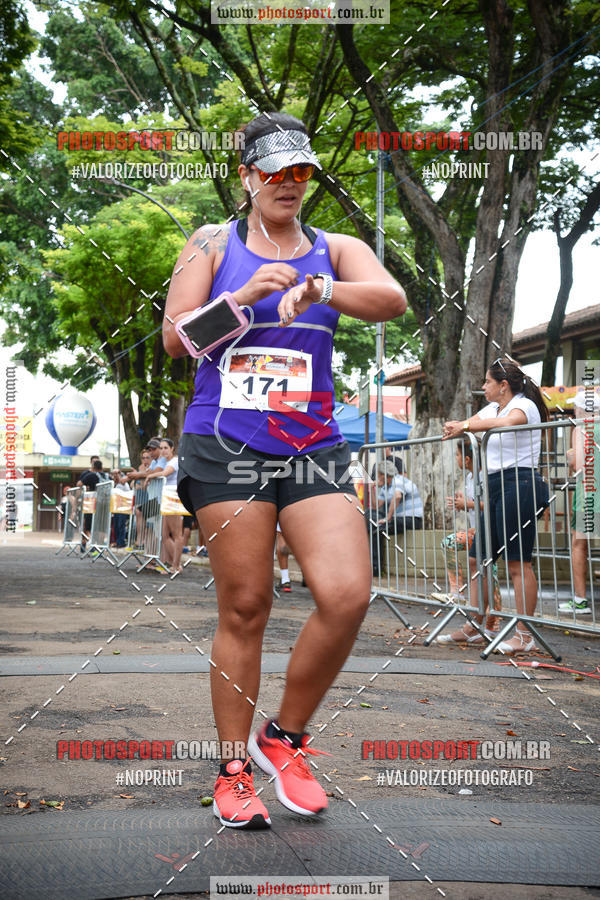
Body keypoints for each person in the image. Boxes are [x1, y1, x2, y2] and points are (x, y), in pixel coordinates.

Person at [163, 111, 406, 829]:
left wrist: (319, 289)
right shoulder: (211, 243)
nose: (289, 184)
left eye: (301, 171)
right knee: (247, 605)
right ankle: (234, 769)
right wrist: (243, 299)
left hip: (312, 445)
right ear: (247, 177)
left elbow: (390, 299)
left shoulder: (338, 247)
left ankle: (285, 739)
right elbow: (176, 340)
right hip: (225, 443)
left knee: (347, 593)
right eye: (274, 172)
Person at [443, 359, 549, 654]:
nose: (483, 386)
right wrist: (459, 426)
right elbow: (477, 422)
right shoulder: (492, 407)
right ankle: (477, 626)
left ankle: (524, 634)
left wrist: (463, 425)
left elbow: (506, 423)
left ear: (503, 385)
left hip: (520, 483)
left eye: (487, 382)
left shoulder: (523, 405)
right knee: (478, 558)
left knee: (517, 563)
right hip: (493, 484)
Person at [435, 438, 501, 643]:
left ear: (466, 458)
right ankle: (459, 592)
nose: (455, 459)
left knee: (491, 573)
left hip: (488, 532)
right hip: (476, 532)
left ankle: (491, 625)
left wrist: (468, 503)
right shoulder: (469, 477)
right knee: (453, 546)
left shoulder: (485, 476)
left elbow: (490, 503)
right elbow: (473, 503)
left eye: (456, 455)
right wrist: (461, 503)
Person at [559, 388, 600, 615]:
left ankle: (580, 600)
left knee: (579, 544)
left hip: (589, 493)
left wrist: (569, 455)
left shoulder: (582, 428)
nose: (574, 411)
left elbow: (578, 464)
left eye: (576, 407)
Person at [370, 459, 423, 577]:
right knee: (376, 529)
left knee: (378, 530)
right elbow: (376, 505)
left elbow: (397, 496)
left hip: (412, 519)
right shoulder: (386, 487)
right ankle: (376, 567)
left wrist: (388, 518)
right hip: (398, 520)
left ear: (383, 475)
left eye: (378, 475)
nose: (377, 477)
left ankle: (376, 568)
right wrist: (371, 489)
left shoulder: (398, 480)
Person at [144, 438, 184, 574]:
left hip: (174, 498)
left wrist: (150, 476)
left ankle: (176, 565)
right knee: (164, 534)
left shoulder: (174, 461)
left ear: (172, 448)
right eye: (161, 448)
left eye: (165, 448)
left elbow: (166, 473)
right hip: (167, 499)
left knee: (177, 534)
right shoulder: (167, 462)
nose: (162, 451)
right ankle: (176, 564)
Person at [78, 459, 109, 552]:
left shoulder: (91, 475)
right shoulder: (107, 476)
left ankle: (85, 544)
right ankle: (99, 546)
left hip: (93, 504)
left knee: (88, 525)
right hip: (106, 504)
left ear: (93, 467)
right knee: (101, 525)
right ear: (102, 467)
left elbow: (79, 484)